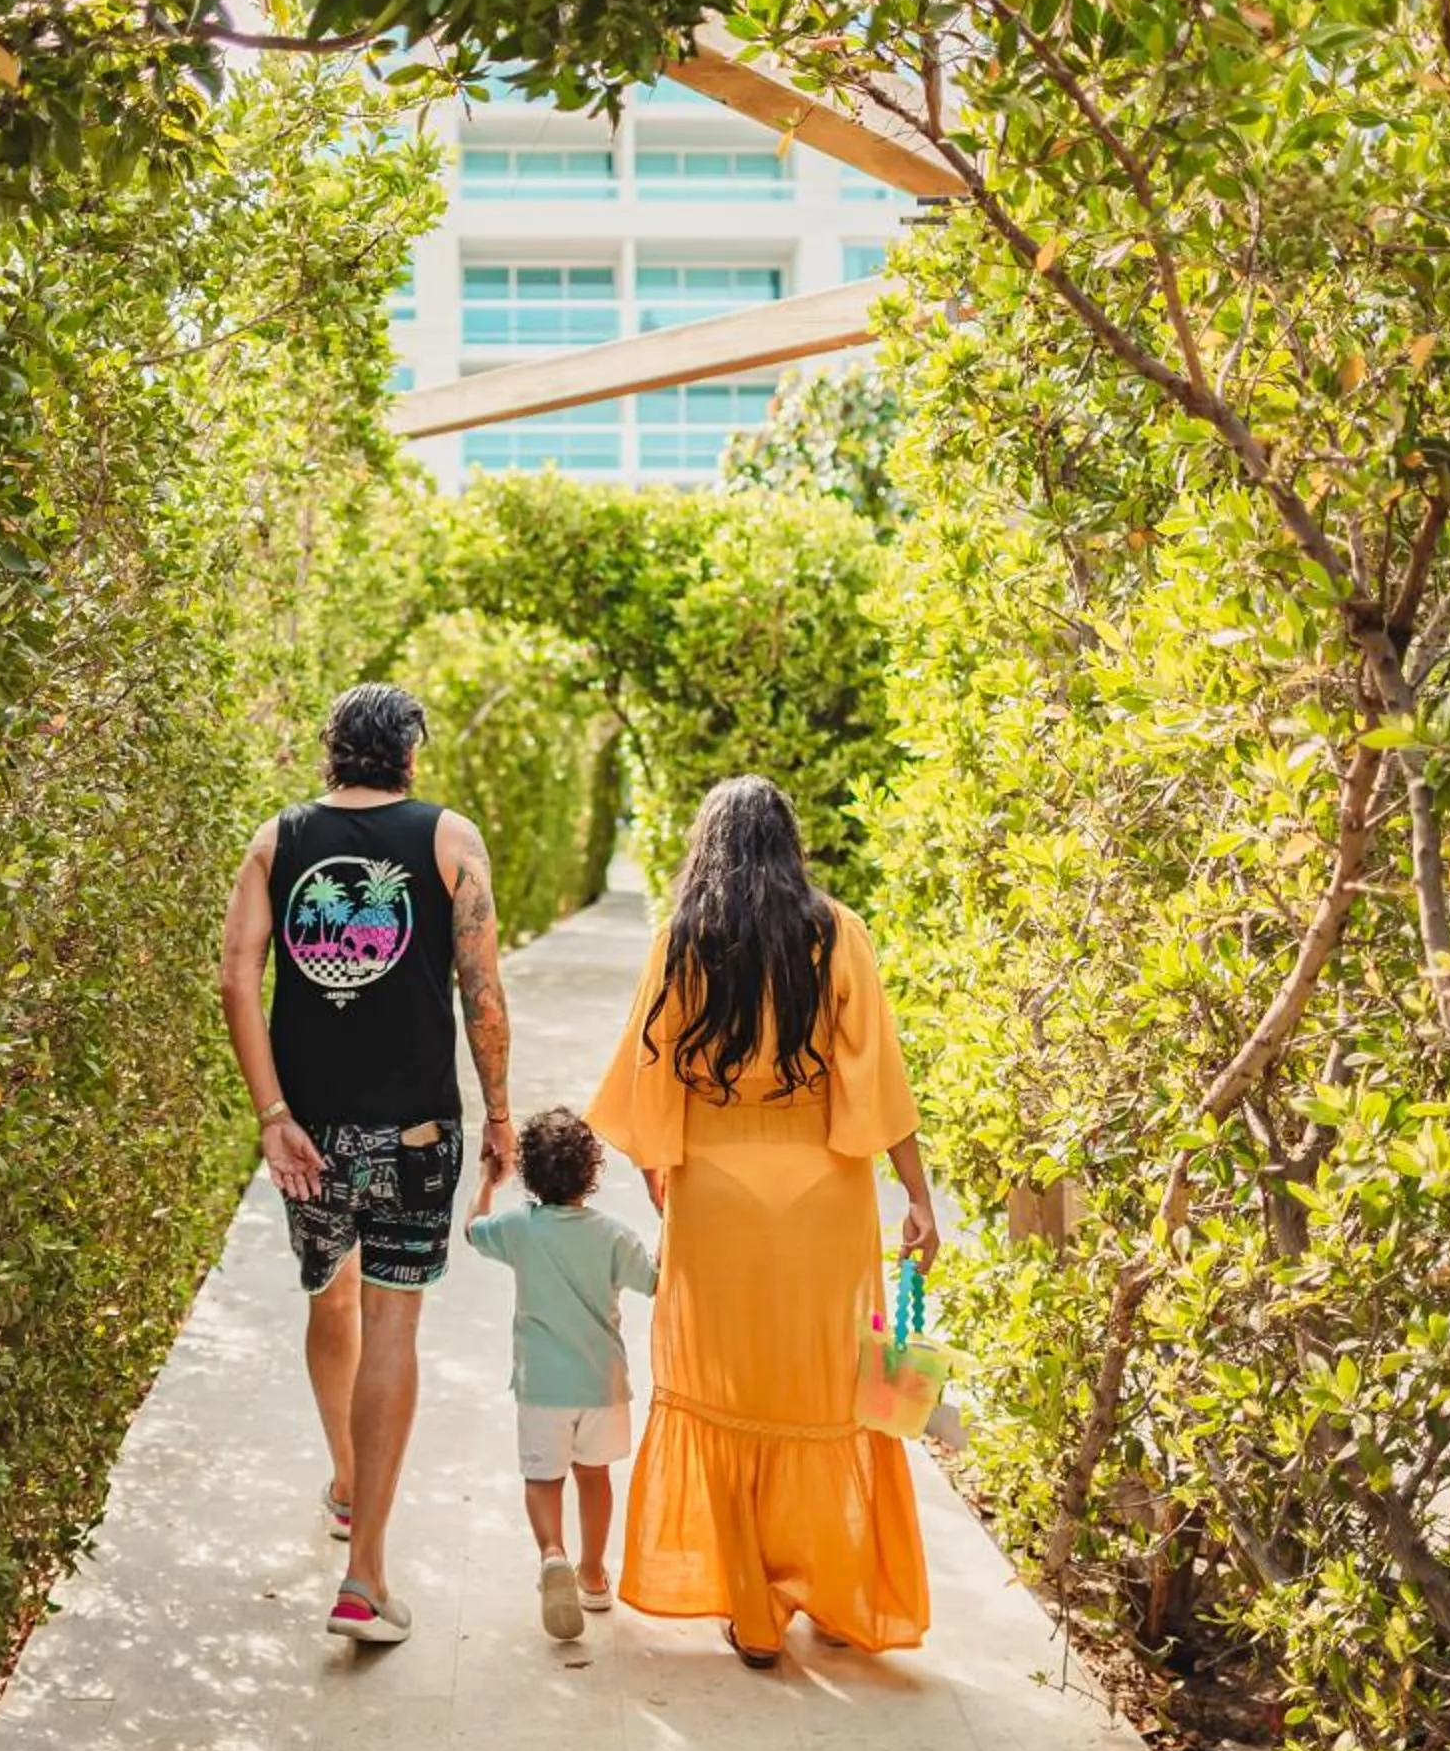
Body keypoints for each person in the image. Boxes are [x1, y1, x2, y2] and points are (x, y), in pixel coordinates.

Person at [588, 775, 941, 1670]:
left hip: (717, 1196)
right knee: (823, 1393)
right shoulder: (838, 933)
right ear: (791, 845)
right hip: (824, 1197)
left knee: (730, 1395)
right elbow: (882, 1083)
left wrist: (668, 1178)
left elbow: (643, 1084)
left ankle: (751, 1613)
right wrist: (920, 1199)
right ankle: (827, 1586)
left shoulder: (682, 941)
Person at [220, 682, 515, 1648]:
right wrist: (502, 1114)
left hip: (308, 1138)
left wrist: (272, 1116)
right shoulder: (448, 839)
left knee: (329, 1300)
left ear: (330, 751)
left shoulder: (277, 840)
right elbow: (482, 991)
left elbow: (235, 976)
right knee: (392, 1317)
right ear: (410, 756)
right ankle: (366, 1576)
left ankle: (347, 1479)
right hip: (417, 1134)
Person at [466, 1106, 658, 1643]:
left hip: (541, 1388)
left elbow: (472, 1232)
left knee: (542, 1478)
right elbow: (657, 1282)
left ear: (528, 1172)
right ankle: (593, 1575)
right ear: (590, 1173)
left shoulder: (518, 1228)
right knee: (594, 1477)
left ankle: (553, 1553)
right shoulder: (614, 1236)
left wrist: (485, 1179)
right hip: (602, 1387)